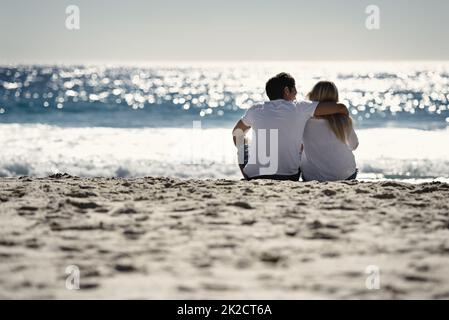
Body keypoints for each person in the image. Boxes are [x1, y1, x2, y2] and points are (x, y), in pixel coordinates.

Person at [232, 73, 349, 181]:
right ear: (287, 91)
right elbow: (341, 108)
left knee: (242, 139)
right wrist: (344, 123)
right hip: (290, 177)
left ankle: (246, 172)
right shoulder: (301, 108)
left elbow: (237, 132)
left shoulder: (255, 110)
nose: (296, 94)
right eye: (294, 90)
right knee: (300, 146)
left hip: (254, 176)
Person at [300, 81, 359, 182]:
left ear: (313, 96)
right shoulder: (343, 119)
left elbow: (298, 148)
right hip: (344, 175)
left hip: (312, 177)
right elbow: (354, 145)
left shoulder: (303, 120)